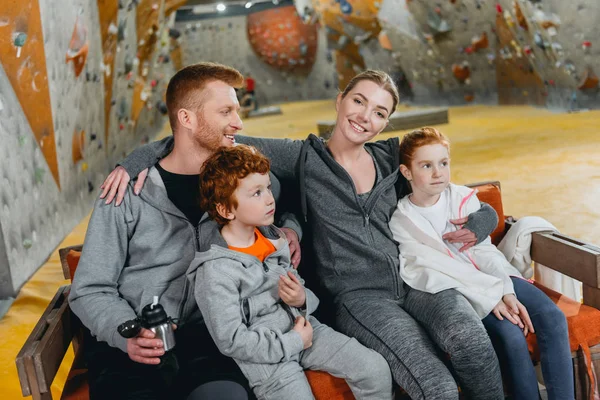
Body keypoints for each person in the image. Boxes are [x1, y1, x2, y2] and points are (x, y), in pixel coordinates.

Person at [103, 69, 505, 399]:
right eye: (359, 101)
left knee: (471, 341)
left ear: (387, 122)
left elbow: (457, 195)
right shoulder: (302, 157)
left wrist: (480, 225)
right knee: (436, 385)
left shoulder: (390, 157)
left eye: (380, 112)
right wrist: (135, 160)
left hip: (415, 278)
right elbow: (200, 135)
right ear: (340, 99)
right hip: (358, 298)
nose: (366, 116)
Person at [68, 62, 303, 399]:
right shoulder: (126, 192)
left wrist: (291, 228)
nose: (238, 122)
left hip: (207, 340)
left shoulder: (239, 185)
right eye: (226, 111)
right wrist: (127, 335)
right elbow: (90, 287)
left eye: (236, 110)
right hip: (132, 348)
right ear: (187, 119)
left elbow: (290, 195)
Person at [189, 145, 392, 400]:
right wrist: (294, 342)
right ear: (226, 210)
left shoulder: (275, 241)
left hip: (306, 329)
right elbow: (231, 340)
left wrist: (302, 299)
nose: (269, 199)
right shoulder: (215, 272)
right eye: (256, 193)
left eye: (268, 188)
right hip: (268, 362)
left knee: (374, 369)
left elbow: (302, 292)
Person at [390, 127, 573, 400]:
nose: (438, 172)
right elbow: (437, 271)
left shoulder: (463, 198)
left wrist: (506, 290)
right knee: (511, 336)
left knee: (553, 317)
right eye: (426, 165)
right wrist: (491, 296)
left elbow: (485, 251)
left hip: (496, 275)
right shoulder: (403, 221)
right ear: (407, 172)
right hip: (466, 291)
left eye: (443, 163)